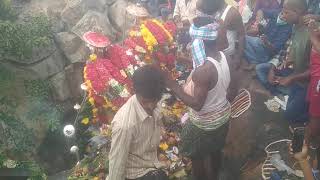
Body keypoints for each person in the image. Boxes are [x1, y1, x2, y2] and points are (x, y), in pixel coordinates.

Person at [165, 16, 231, 180]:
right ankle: (214, 175)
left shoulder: (204, 71)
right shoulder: (224, 56)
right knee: (215, 150)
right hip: (223, 117)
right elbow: (232, 89)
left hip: (204, 125)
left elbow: (197, 105)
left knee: (197, 158)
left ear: (198, 40)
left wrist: (172, 84)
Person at [108, 65, 167, 180]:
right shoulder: (124, 125)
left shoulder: (154, 99)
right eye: (145, 102)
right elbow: (117, 164)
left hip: (153, 162)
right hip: (135, 174)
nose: (150, 106)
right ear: (135, 92)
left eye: (154, 101)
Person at [257, 0, 310, 126]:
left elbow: (315, 70)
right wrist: (273, 68)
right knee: (261, 69)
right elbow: (286, 50)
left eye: (286, 12)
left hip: (306, 81)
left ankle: (308, 107)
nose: (283, 16)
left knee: (289, 116)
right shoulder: (294, 26)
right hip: (294, 73)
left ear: (298, 12)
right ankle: (286, 92)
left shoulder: (312, 33)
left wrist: (292, 78)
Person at [306, 19, 320, 146]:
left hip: (319, 81)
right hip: (315, 77)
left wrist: (311, 34)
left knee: (315, 115)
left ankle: (311, 143)